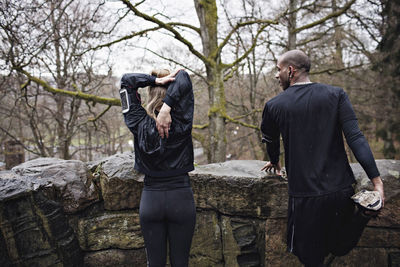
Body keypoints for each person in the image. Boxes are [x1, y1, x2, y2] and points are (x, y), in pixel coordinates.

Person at [260, 50, 385, 267]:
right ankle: (363, 215)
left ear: (291, 71)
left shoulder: (274, 106)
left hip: (305, 196)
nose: (276, 75)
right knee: (340, 246)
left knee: (308, 256)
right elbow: (356, 138)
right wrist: (377, 182)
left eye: (278, 70)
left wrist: (275, 161)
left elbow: (271, 141)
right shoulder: (336, 95)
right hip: (341, 189)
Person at [120, 69, 196, 267]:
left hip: (151, 201)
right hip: (181, 199)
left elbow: (126, 81)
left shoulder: (137, 121)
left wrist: (153, 80)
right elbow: (184, 77)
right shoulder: (183, 121)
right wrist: (168, 107)